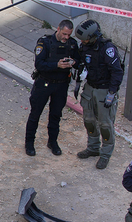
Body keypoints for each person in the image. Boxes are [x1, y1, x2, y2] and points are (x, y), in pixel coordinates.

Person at [72, 19, 125, 169]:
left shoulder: (107, 49)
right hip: (90, 87)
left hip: (104, 90)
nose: (83, 42)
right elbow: (82, 62)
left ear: (94, 36)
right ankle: (93, 148)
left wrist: (111, 93)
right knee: (89, 120)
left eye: (85, 39)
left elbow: (117, 72)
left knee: (105, 125)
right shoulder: (85, 47)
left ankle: (105, 154)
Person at [25, 20, 80, 156]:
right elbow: (39, 64)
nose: (66, 37)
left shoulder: (72, 44)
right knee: (35, 114)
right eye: (64, 34)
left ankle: (53, 142)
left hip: (61, 85)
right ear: (58, 29)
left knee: (56, 115)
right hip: (44, 83)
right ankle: (29, 143)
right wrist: (57, 65)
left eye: (69, 35)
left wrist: (73, 63)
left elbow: (79, 61)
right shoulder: (45, 42)